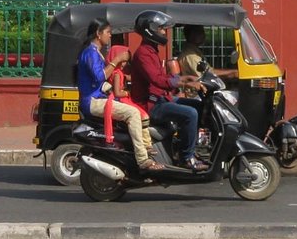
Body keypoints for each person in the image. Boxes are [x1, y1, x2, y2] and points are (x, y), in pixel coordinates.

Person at [77, 19, 161, 172]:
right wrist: (117, 60)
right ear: (98, 33)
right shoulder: (90, 52)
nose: (110, 36)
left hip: (99, 97)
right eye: (108, 32)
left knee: (139, 113)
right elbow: (99, 77)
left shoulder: (95, 53)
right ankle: (143, 160)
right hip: (92, 101)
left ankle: (144, 147)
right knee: (133, 113)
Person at [130, 10, 207, 170]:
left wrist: (186, 78)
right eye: (161, 29)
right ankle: (187, 157)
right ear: (150, 30)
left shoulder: (152, 50)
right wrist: (185, 84)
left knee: (198, 106)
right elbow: (157, 80)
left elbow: (162, 78)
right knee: (190, 114)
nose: (164, 32)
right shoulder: (143, 53)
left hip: (161, 99)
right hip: (151, 104)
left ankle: (186, 146)